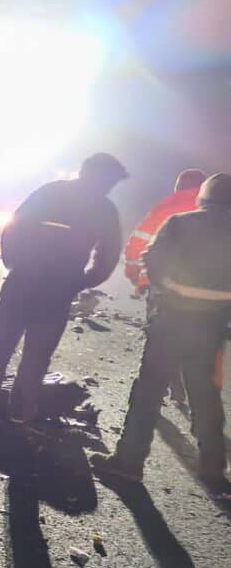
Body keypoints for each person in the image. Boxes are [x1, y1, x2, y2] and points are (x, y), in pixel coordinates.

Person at [0, 153, 128, 429]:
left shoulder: (50, 192)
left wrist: (14, 263)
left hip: (22, 282)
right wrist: (83, 281)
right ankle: (19, 415)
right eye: (110, 181)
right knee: (37, 355)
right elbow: (108, 255)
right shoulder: (105, 209)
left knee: (0, 345)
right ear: (103, 178)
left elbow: (13, 226)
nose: (110, 187)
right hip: (58, 290)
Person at [93, 173, 231, 485]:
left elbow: (151, 260)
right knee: (206, 394)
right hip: (211, 327)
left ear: (204, 196)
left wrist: (166, 289)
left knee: (149, 390)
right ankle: (212, 466)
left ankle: (128, 461)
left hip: (171, 318)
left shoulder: (179, 222)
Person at [125, 169, 207, 406]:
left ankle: (157, 390)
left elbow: (138, 240)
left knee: (159, 336)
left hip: (164, 285)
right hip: (202, 292)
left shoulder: (167, 206)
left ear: (179, 186)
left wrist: (135, 274)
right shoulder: (217, 213)